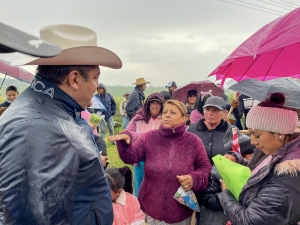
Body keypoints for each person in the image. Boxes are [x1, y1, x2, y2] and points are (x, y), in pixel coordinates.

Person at [0, 24, 122, 224]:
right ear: (74, 79)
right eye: (95, 78)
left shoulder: (52, 109)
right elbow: (35, 217)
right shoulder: (38, 129)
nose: (97, 86)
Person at [109, 99, 212, 225]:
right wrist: (125, 142)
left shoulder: (193, 142)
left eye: (173, 112)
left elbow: (205, 168)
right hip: (149, 210)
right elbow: (130, 157)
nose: (167, 115)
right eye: (165, 112)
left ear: (183, 118)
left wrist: (193, 179)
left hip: (179, 214)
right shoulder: (150, 137)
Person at [219, 93, 300, 225]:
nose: (252, 141)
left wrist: (225, 194)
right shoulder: (273, 149)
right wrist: (238, 160)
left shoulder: (291, 174)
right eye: (250, 133)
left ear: (280, 133)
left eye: (256, 135)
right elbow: (261, 172)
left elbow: (251, 221)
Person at [125, 93, 165, 197]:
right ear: (148, 104)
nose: (155, 106)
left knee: (155, 188)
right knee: (139, 186)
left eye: (158, 103)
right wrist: (147, 136)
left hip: (158, 162)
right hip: (140, 161)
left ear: (162, 106)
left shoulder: (165, 120)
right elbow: (127, 134)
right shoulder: (138, 119)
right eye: (152, 103)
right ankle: (139, 210)